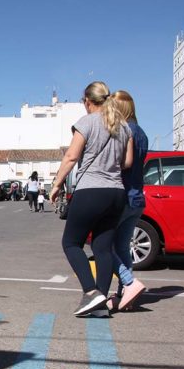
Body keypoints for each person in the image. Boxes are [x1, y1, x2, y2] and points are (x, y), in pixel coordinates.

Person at [49, 81, 134, 317]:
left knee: (71, 243)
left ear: (88, 101)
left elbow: (71, 157)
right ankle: (101, 304)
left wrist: (56, 184)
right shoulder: (123, 126)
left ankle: (91, 292)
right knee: (102, 248)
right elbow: (126, 162)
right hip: (117, 193)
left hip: (91, 191)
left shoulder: (87, 122)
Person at [108, 91, 148, 311]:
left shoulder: (125, 132)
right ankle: (126, 293)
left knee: (103, 245)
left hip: (122, 196)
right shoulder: (141, 132)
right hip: (137, 198)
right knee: (123, 247)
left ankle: (129, 282)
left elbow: (121, 164)